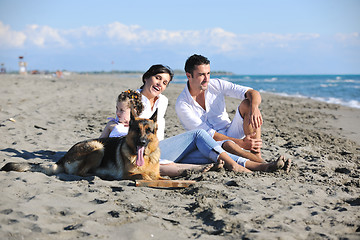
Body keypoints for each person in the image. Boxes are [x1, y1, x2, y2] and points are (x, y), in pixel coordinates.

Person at [100, 65, 290, 177]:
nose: (160, 84)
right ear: (146, 78)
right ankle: (235, 166)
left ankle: (263, 166)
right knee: (199, 135)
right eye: (157, 78)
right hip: (143, 151)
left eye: (164, 82)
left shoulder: (163, 101)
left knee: (212, 154)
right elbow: (120, 120)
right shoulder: (134, 99)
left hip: (161, 149)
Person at [175, 54, 263, 160]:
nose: (206, 79)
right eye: (201, 75)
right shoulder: (182, 104)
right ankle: (260, 162)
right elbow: (209, 135)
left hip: (230, 131)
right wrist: (242, 143)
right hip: (208, 143)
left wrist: (254, 108)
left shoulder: (216, 84)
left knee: (248, 104)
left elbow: (252, 92)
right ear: (189, 75)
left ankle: (256, 154)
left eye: (208, 73)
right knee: (228, 145)